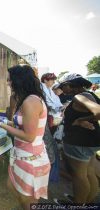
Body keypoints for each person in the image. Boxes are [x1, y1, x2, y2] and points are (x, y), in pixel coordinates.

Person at [0, 65, 50, 210]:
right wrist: (0, 122)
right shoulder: (28, 99)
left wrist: (0, 124)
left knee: (28, 200)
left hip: (31, 158)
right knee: (12, 186)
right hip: (23, 155)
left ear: (19, 80)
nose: (8, 83)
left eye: (10, 80)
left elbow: (29, 136)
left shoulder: (31, 102)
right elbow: (20, 124)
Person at [54, 73, 100, 204]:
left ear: (70, 84)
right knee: (89, 172)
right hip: (90, 140)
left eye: (63, 87)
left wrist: (80, 120)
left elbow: (98, 112)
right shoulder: (90, 94)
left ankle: (78, 204)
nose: (62, 90)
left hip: (80, 142)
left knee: (79, 176)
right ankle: (86, 202)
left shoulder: (80, 97)